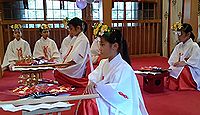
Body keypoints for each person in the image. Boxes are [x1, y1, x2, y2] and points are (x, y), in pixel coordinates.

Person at [77, 23, 148, 115]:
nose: (99, 48)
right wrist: (91, 83)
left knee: (90, 104)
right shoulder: (103, 62)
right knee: (87, 98)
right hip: (104, 97)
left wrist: (97, 87)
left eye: (102, 45)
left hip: (119, 104)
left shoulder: (125, 69)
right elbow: (94, 76)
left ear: (115, 46)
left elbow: (119, 93)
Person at [54, 17, 93, 87]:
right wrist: (63, 64)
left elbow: (76, 59)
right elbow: (69, 53)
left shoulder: (83, 39)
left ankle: (72, 83)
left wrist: (65, 65)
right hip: (75, 64)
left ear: (78, 28)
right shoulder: (76, 38)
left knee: (57, 72)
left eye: (71, 29)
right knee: (57, 70)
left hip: (79, 66)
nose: (70, 31)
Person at [167, 23, 200, 91]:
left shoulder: (194, 46)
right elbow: (173, 58)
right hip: (180, 65)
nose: (178, 37)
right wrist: (175, 62)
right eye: (178, 34)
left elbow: (195, 60)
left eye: (180, 34)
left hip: (191, 68)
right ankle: (173, 86)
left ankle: (184, 86)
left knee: (183, 70)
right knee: (171, 68)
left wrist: (185, 63)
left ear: (188, 34)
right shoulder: (179, 46)